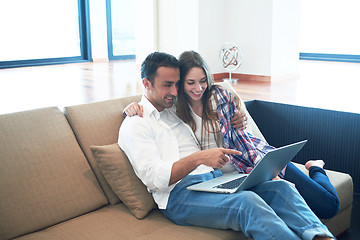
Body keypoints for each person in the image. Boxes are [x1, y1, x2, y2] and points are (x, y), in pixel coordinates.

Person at [119, 51, 335, 240]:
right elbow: (154, 178)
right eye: (168, 85)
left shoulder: (173, 109)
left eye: (177, 84)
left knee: (281, 187)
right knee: (246, 203)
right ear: (146, 83)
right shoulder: (136, 123)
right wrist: (200, 158)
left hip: (214, 180)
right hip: (178, 196)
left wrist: (239, 118)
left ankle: (320, 236)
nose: (175, 92)